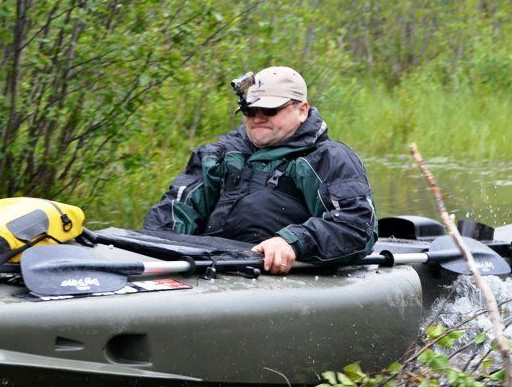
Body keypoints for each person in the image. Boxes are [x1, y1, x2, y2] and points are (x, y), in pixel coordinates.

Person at [143, 66, 377, 274]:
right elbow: (175, 210)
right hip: (209, 268)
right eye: (250, 111)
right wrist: (156, 247)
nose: (258, 118)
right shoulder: (218, 156)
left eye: (270, 110)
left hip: (271, 275)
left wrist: (292, 242)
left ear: (302, 110)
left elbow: (356, 225)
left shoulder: (328, 158)